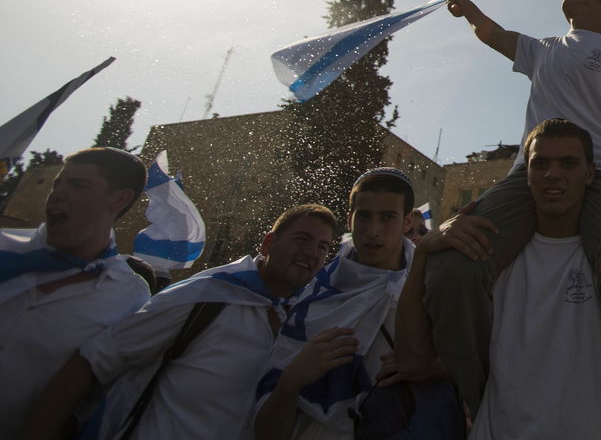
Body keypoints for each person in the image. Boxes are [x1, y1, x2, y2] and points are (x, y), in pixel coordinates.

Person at [402, 0, 601, 428]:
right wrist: (469, 8)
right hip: (528, 180)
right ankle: (479, 393)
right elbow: (492, 34)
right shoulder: (542, 48)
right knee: (452, 265)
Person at [403, 119, 601, 438]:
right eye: (540, 163)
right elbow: (412, 359)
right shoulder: (489, 259)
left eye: (568, 163)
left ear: (590, 174)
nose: (553, 174)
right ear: (525, 174)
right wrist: (422, 255)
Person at [24, 203, 337, 440]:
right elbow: (94, 361)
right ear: (269, 244)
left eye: (323, 247)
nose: (311, 253)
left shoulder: (302, 322)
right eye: (302, 239)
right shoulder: (204, 297)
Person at [254, 169, 453, 440]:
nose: (373, 231)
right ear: (350, 219)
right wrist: (291, 380)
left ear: (407, 221)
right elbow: (267, 430)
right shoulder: (313, 295)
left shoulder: (434, 285)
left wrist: (433, 367)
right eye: (364, 216)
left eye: (387, 217)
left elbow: (489, 368)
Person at [0, 147, 150, 429]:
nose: (57, 193)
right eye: (58, 183)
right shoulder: (5, 252)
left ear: (120, 198)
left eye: (78, 185)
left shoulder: (128, 295)